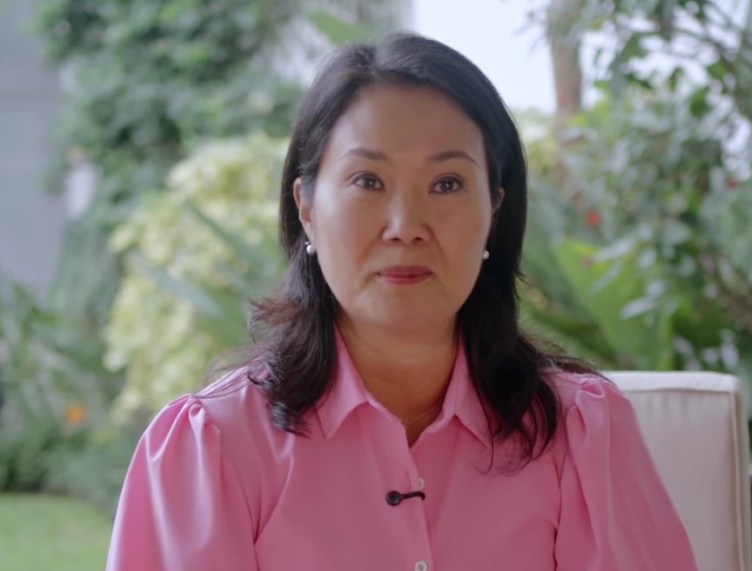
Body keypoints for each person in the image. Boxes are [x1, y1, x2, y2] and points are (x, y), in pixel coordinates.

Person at [106, 32, 698, 570]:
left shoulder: (579, 434)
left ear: (494, 212)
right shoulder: (214, 448)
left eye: (447, 184)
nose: (406, 226)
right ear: (306, 207)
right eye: (368, 181)